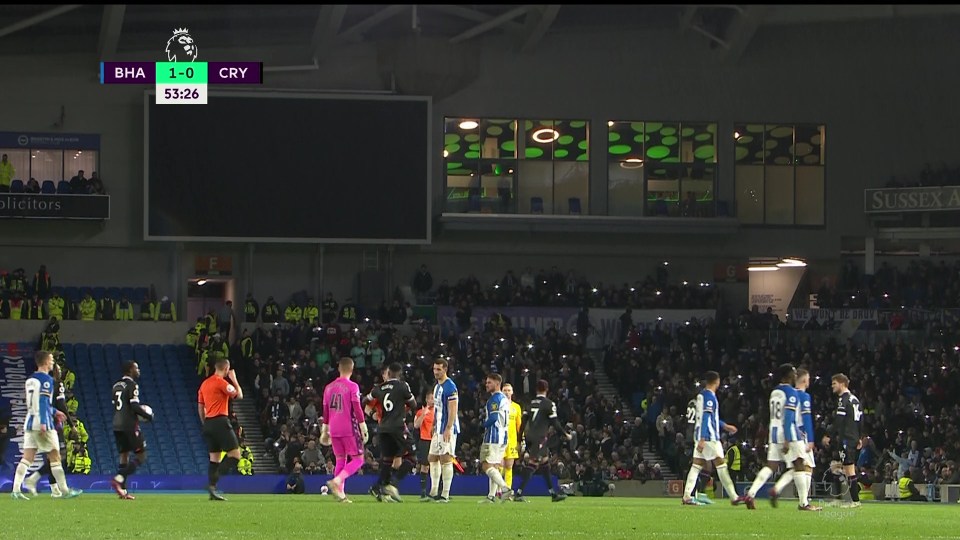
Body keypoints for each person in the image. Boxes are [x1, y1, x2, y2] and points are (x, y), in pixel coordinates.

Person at [10, 351, 82, 500]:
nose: (52, 362)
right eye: (51, 359)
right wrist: (44, 422)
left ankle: (16, 490)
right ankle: (64, 490)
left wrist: (55, 411)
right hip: (43, 423)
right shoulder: (47, 380)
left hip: (29, 422)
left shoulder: (30, 380)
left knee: (27, 458)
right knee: (56, 457)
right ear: (44, 362)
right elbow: (43, 402)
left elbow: (35, 402)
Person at [680, 371, 744, 507]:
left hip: (699, 436)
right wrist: (704, 438)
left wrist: (725, 426)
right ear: (717, 381)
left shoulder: (701, 396)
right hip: (709, 437)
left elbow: (711, 417)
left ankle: (686, 496)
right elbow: (706, 418)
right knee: (721, 465)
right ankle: (734, 496)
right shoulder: (709, 397)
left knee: (696, 466)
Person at [513, 379, 572, 502]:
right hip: (539, 438)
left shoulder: (529, 403)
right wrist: (565, 434)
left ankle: (553, 494)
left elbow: (523, 423)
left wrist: (519, 440)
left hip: (529, 436)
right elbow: (555, 423)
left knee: (545, 464)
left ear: (536, 390)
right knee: (533, 464)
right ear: (547, 389)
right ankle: (518, 493)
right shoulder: (549, 404)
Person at [321, 357, 368, 503]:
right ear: (352, 370)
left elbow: (325, 411)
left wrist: (324, 430)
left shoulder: (328, 387)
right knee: (358, 460)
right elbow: (357, 407)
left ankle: (340, 494)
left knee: (340, 459)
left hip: (334, 428)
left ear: (339, 368)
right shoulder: (352, 386)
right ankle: (338, 480)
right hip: (348, 427)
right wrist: (363, 426)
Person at [367, 362, 416, 503]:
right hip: (398, 427)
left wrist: (372, 415)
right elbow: (413, 404)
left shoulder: (378, 388)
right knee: (412, 456)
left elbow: (365, 401)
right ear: (399, 374)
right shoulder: (402, 386)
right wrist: (403, 409)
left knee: (389, 461)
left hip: (383, 429)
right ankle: (392, 485)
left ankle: (377, 487)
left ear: (388, 374)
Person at [197, 356, 243, 501]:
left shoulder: (204, 384)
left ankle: (212, 489)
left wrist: (205, 423)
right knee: (235, 456)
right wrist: (234, 379)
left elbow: (200, 406)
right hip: (220, 421)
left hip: (208, 423)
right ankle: (214, 481)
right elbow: (239, 395)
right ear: (226, 369)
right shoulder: (221, 382)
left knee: (214, 459)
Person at [23, 362, 70, 498]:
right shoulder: (55, 384)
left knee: (53, 457)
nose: (60, 372)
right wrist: (71, 424)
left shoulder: (40, 382)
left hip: (47, 421)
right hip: (51, 423)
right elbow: (59, 405)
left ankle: (53, 488)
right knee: (57, 456)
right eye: (59, 369)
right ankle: (57, 488)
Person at [110, 361, 153, 500]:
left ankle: (122, 491)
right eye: (136, 368)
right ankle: (119, 478)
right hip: (129, 425)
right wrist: (148, 415)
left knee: (124, 456)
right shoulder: (132, 385)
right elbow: (134, 406)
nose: (138, 370)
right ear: (130, 370)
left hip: (117, 424)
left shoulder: (116, 385)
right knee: (142, 456)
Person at [821, 373, 863, 508]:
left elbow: (839, 420)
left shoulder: (843, 399)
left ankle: (855, 501)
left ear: (842, 384)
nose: (832, 386)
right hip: (852, 437)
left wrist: (829, 435)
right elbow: (861, 420)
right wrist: (860, 437)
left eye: (834, 383)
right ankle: (838, 499)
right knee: (836, 467)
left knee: (849, 469)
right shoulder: (855, 399)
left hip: (847, 438)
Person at [427, 357, 459, 503]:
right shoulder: (437, 386)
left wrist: (448, 428)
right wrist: (434, 424)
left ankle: (445, 494)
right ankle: (434, 492)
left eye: (439, 369)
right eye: (434, 369)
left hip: (447, 428)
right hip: (438, 427)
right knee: (432, 457)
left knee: (446, 458)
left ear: (445, 369)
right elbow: (438, 408)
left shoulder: (450, 386)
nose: (436, 372)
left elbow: (453, 409)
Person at [478, 373, 513, 503]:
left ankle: (505, 488)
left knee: (486, 465)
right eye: (486, 382)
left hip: (493, 437)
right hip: (503, 437)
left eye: (489, 383)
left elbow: (493, 418)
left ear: (497, 384)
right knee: (495, 466)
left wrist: (482, 425)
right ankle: (491, 496)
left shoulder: (494, 399)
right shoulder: (504, 399)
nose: (486, 385)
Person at [790, 368, 820, 510]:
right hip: (801, 435)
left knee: (805, 466)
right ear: (804, 380)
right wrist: (811, 439)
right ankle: (803, 503)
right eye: (808, 378)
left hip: (790, 434)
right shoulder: (803, 396)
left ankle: (804, 501)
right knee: (804, 466)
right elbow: (806, 419)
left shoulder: (788, 395)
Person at [413, 391, 435, 501]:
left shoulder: (438, 412)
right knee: (425, 466)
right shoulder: (420, 412)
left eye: (435, 397)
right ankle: (423, 492)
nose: (434, 400)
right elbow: (416, 425)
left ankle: (438, 492)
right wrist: (423, 414)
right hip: (425, 441)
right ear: (427, 399)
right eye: (431, 398)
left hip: (436, 441)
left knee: (437, 466)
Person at [502, 383, 522, 493]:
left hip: (512, 441)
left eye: (509, 390)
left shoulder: (516, 407)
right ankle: (497, 490)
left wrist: (521, 440)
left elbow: (519, 426)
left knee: (509, 466)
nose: (507, 392)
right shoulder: (498, 405)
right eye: (505, 390)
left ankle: (507, 489)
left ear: (512, 392)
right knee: (499, 465)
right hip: (500, 440)